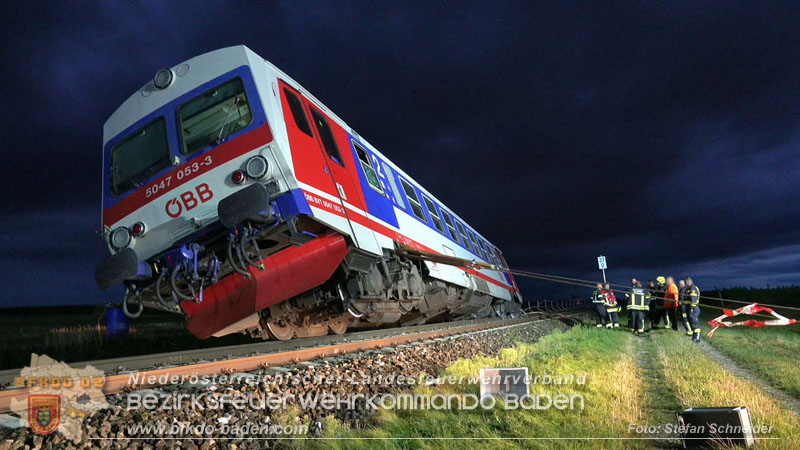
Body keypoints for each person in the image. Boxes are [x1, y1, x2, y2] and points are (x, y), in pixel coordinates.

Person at [683, 277, 702, 342]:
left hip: (694, 309)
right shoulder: (688, 289)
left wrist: (691, 308)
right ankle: (694, 337)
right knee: (692, 323)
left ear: (688, 282)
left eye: (685, 282)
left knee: (695, 323)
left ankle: (697, 338)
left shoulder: (693, 288)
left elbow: (693, 300)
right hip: (690, 308)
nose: (685, 284)